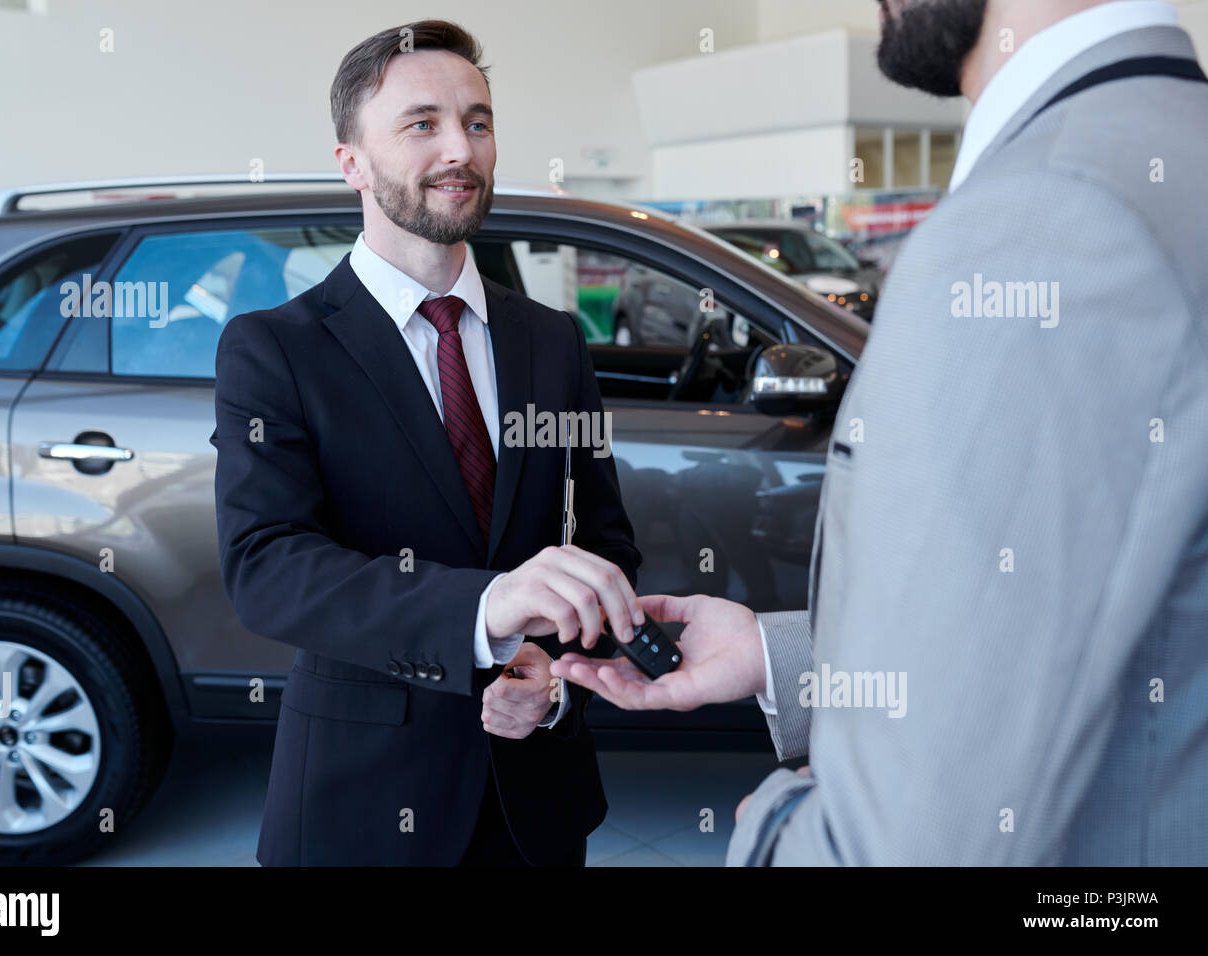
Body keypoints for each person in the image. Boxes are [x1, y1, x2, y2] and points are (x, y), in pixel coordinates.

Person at [553, 0, 1208, 865]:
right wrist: (776, 652)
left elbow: (906, 845)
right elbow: (1118, 624)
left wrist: (773, 824)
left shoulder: (1042, 220)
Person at [210, 19, 642, 866]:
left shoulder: (552, 341)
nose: (461, 149)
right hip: (360, 802)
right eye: (423, 124)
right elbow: (266, 568)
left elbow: (604, 542)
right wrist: (484, 613)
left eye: (478, 122)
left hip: (535, 797)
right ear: (353, 163)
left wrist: (553, 680)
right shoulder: (275, 349)